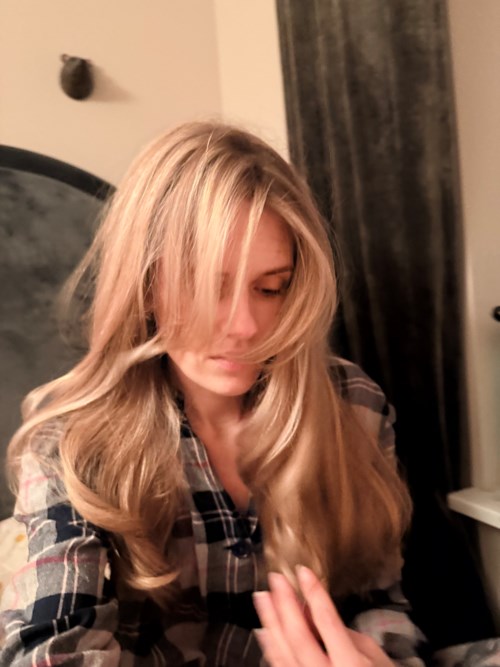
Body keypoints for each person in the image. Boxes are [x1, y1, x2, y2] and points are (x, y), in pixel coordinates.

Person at [1, 121, 421, 666]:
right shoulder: (71, 440)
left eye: (271, 288)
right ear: (145, 283)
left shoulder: (354, 404)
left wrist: (380, 656)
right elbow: (51, 652)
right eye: (206, 287)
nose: (246, 327)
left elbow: (378, 598)